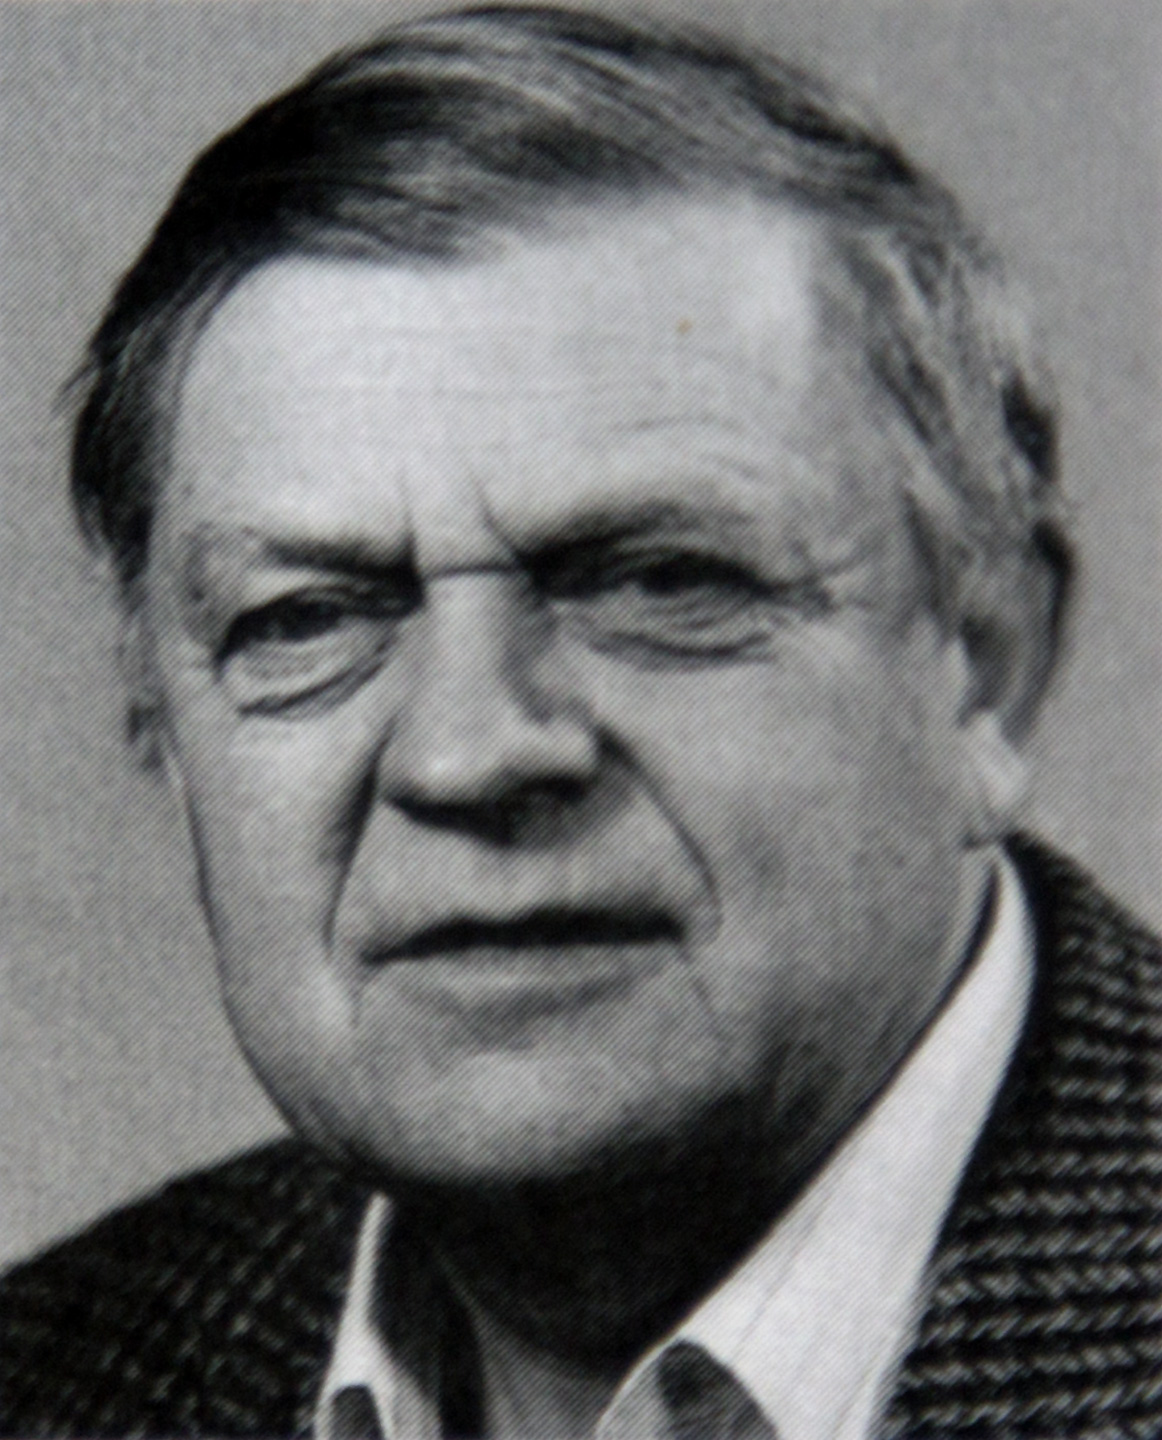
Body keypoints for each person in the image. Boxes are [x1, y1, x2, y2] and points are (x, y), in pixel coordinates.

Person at [1, 6, 1158, 1437]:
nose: (470, 751)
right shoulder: (51, 1374)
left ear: (985, 666)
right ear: (166, 731)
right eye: (308, 618)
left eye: (655, 580)